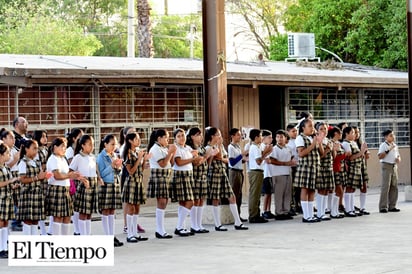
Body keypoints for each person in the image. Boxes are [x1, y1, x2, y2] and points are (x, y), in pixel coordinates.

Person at [204, 127, 248, 231]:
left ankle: (238, 222)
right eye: (218, 134)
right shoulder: (208, 148)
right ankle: (217, 224)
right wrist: (218, 152)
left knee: (231, 196)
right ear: (212, 136)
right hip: (214, 173)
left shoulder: (220, 146)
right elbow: (217, 157)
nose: (220, 137)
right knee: (215, 198)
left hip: (223, 171)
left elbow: (226, 159)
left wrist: (220, 156)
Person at [46, 137, 83, 235]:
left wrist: (76, 176)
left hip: (65, 190)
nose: (64, 149)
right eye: (62, 146)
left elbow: (66, 174)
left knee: (67, 216)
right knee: (58, 217)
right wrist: (70, 175)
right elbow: (57, 175)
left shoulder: (62, 158)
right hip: (56, 189)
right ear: (55, 147)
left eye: (65, 147)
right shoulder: (53, 159)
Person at [70, 135, 102, 236]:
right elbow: (70, 172)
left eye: (93, 144)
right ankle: (83, 235)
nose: (92, 146)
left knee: (89, 213)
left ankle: (88, 234)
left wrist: (98, 178)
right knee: (83, 213)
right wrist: (80, 178)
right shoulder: (78, 157)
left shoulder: (92, 157)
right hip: (83, 185)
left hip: (93, 185)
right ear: (83, 145)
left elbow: (95, 170)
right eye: (89, 144)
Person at [147, 129, 176, 239]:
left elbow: (171, 163)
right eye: (166, 137)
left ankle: (161, 229)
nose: (168, 140)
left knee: (165, 201)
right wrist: (170, 152)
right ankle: (160, 229)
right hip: (159, 176)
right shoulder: (155, 148)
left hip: (166, 176)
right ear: (159, 138)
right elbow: (162, 164)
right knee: (162, 202)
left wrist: (172, 153)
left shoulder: (163, 148)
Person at [294, 119, 324, 223]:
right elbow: (301, 153)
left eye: (312, 126)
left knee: (312, 190)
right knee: (305, 190)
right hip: (306, 167)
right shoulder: (300, 138)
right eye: (310, 126)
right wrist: (312, 145)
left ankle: (311, 214)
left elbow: (322, 153)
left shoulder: (312, 138)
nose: (312, 128)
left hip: (315, 167)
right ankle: (306, 215)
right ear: (303, 128)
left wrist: (319, 142)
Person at [121, 132, 149, 242]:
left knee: (137, 207)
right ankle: (130, 234)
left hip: (139, 181)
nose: (139, 140)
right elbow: (131, 171)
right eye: (136, 139)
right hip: (131, 182)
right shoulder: (127, 153)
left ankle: (135, 233)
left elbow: (140, 170)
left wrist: (144, 159)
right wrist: (139, 159)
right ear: (130, 141)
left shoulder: (137, 152)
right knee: (131, 207)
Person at [97, 134, 124, 247]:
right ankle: (107, 236)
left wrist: (118, 168)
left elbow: (119, 172)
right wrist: (112, 166)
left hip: (115, 183)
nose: (114, 146)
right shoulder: (101, 157)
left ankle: (112, 235)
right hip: (106, 184)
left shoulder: (114, 155)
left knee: (112, 211)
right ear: (105, 144)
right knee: (106, 210)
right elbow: (101, 173)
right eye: (112, 144)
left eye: (115, 144)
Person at [17, 139, 48, 235]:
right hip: (28, 193)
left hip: (37, 193)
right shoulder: (23, 162)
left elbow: (39, 177)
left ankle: (34, 241)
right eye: (34, 148)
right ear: (26, 149)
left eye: (37, 149)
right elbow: (22, 179)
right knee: (28, 220)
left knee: (35, 220)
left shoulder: (37, 162)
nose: (36, 151)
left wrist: (44, 177)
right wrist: (37, 177)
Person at [170, 128, 197, 237]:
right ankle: (179, 227)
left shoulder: (188, 148)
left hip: (189, 174)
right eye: (179, 136)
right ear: (175, 139)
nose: (182, 138)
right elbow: (179, 162)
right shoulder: (176, 148)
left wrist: (197, 157)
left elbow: (196, 160)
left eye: (183, 135)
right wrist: (192, 159)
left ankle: (182, 227)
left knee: (184, 203)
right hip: (180, 175)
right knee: (190, 202)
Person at [186, 127, 212, 233]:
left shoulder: (201, 147)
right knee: (195, 200)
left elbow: (205, 162)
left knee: (201, 200)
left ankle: (199, 224)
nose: (200, 137)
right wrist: (207, 156)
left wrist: (208, 157)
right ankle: (194, 224)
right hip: (195, 176)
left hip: (203, 175)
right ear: (192, 136)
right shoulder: (190, 148)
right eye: (198, 135)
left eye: (201, 135)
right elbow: (196, 162)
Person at [266, 130, 296, 220]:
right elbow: (273, 161)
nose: (279, 139)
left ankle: (286, 211)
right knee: (279, 194)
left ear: (285, 138)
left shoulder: (288, 148)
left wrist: (290, 163)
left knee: (287, 193)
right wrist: (285, 163)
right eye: (278, 137)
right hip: (278, 173)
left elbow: (292, 158)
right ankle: (279, 212)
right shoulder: (274, 149)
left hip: (287, 172)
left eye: (281, 137)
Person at [341, 126, 368, 217]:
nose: (355, 134)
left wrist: (362, 153)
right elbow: (350, 158)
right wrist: (361, 152)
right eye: (352, 133)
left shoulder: (353, 142)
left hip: (358, 167)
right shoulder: (345, 143)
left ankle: (351, 208)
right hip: (352, 168)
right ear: (346, 134)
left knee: (353, 189)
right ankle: (348, 209)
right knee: (349, 188)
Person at [247, 129, 272, 223]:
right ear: (256, 137)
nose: (262, 138)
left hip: (258, 171)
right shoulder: (254, 147)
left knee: (257, 195)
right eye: (261, 136)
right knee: (254, 194)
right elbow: (258, 161)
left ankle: (256, 213)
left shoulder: (257, 146)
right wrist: (266, 152)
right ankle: (253, 215)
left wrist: (266, 152)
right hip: (255, 172)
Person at [0, 143, 19, 258]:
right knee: (1, 223)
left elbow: (7, 183)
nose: (9, 156)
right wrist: (11, 181)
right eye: (7, 153)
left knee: (6, 223)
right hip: (1, 198)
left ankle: (4, 247)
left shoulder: (6, 167)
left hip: (7, 198)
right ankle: (0, 248)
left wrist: (13, 186)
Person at [65, 128, 84, 236]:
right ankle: (77, 230)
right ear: (73, 138)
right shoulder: (70, 151)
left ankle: (80, 230)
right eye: (79, 137)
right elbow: (71, 166)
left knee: (80, 207)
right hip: (74, 180)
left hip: (80, 178)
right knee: (76, 206)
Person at [314, 122, 334, 221]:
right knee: (321, 190)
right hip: (321, 167)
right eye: (321, 129)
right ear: (317, 130)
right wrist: (326, 150)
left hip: (328, 168)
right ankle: (319, 212)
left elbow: (332, 156)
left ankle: (323, 210)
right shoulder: (318, 140)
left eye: (325, 129)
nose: (323, 130)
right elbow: (319, 156)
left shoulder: (329, 140)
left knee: (326, 190)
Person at [378, 130, 401, 213]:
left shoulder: (395, 145)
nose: (393, 136)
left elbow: (398, 156)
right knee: (386, 187)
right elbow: (380, 156)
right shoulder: (383, 145)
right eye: (391, 135)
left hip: (394, 166)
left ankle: (392, 206)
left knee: (394, 186)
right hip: (386, 165)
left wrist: (398, 159)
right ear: (386, 137)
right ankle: (383, 207)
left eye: (393, 135)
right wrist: (388, 150)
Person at [227, 128, 247, 221]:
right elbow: (232, 162)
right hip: (234, 172)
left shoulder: (238, 146)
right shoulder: (230, 147)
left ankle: (238, 214)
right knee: (235, 193)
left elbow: (238, 160)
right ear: (233, 136)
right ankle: (234, 216)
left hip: (239, 171)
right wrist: (242, 155)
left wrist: (244, 159)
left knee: (239, 194)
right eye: (238, 135)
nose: (240, 136)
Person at [32, 130, 49, 235]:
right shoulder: (37, 151)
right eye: (42, 136)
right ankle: (42, 231)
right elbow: (39, 165)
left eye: (46, 136)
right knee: (40, 206)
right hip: (41, 179)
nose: (45, 138)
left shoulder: (46, 149)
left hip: (48, 179)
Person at [327, 126, 345, 218]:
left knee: (339, 190)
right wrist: (336, 151)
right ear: (335, 134)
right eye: (340, 133)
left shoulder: (339, 143)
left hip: (339, 168)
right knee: (338, 190)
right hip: (334, 168)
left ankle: (335, 210)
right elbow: (334, 158)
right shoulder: (332, 143)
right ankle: (333, 210)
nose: (341, 134)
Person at [353, 126, 370, 215]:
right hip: (354, 167)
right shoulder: (349, 143)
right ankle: (350, 207)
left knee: (364, 186)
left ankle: (362, 207)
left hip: (362, 166)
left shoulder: (360, 143)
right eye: (355, 132)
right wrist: (361, 152)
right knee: (351, 188)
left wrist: (366, 154)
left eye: (358, 132)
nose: (357, 134)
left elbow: (365, 155)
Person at [260, 130, 276, 220]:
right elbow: (264, 159)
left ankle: (268, 210)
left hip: (270, 172)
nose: (271, 139)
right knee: (266, 193)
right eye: (269, 137)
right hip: (265, 172)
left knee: (269, 193)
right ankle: (264, 210)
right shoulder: (262, 147)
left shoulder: (269, 147)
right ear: (264, 138)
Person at [286, 123, 300, 215]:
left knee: (299, 187)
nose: (295, 133)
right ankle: (291, 206)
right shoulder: (288, 143)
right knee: (291, 188)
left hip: (299, 165)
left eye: (296, 131)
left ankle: (298, 205)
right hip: (291, 166)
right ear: (288, 132)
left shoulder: (298, 140)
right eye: (293, 131)